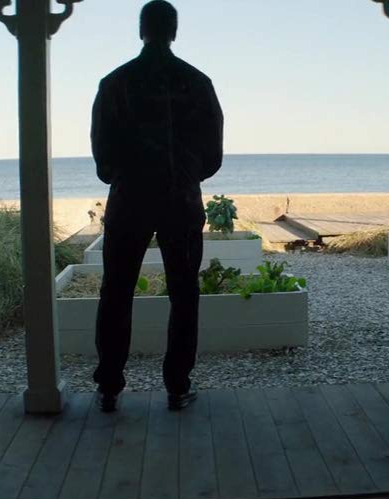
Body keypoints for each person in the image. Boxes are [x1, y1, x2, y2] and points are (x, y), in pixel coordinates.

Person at [90, 0, 224, 413]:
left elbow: (102, 152)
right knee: (184, 293)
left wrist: (123, 175)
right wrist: (186, 175)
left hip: (128, 199)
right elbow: (213, 152)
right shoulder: (196, 82)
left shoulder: (115, 83)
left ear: (141, 30)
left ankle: (109, 386)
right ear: (174, 32)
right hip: (180, 200)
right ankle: (177, 386)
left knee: (117, 290)